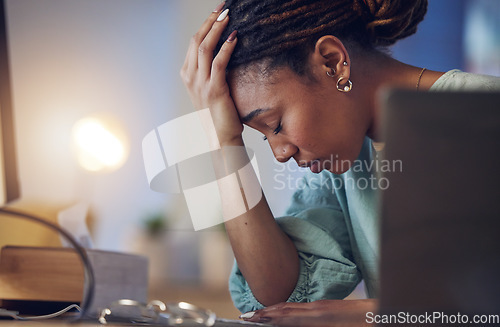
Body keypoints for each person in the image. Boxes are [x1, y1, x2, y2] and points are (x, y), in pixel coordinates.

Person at [180, 0, 500, 325]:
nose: (279, 153)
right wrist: (224, 140)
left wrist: (376, 314)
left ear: (333, 62)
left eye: (275, 125)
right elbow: (278, 291)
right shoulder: (342, 165)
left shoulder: (486, 114)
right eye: (264, 136)